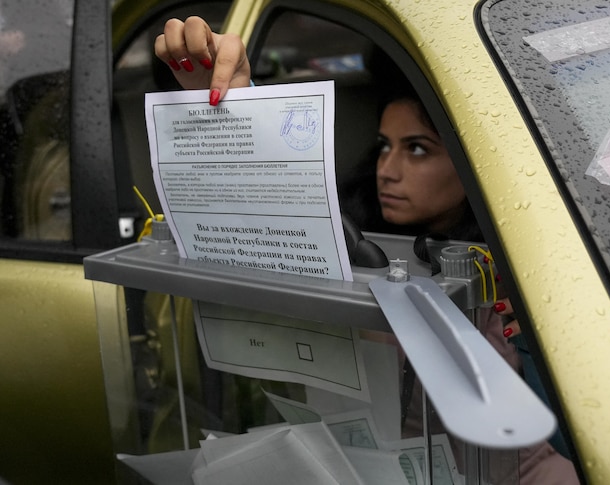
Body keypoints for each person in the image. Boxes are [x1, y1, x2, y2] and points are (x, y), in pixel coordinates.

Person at [155, 16, 578, 484]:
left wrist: (529, 334)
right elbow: (275, 215)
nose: (387, 169)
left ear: (472, 162)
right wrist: (230, 100)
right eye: (384, 146)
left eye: (417, 149)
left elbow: (574, 427)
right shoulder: (349, 241)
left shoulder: (531, 264)